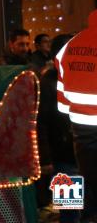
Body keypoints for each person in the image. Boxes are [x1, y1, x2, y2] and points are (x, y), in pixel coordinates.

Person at [55, 0, 97, 221]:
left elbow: (62, 106)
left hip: (79, 138)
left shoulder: (69, 47)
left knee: (85, 197)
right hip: (70, 147)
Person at [36, 34, 79, 223]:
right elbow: (41, 122)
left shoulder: (82, 77)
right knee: (70, 210)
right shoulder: (48, 82)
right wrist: (45, 158)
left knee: (84, 210)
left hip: (82, 151)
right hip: (63, 156)